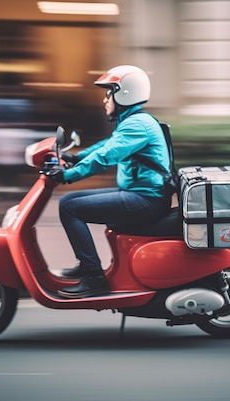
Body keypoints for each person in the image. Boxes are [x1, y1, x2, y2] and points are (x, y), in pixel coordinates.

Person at [46, 65, 173, 299]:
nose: (105, 99)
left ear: (125, 93)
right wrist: (76, 157)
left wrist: (67, 175)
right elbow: (106, 145)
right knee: (70, 201)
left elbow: (107, 156)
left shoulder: (137, 124)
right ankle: (87, 266)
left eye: (109, 92)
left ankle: (94, 277)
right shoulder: (132, 121)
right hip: (139, 194)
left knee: (70, 208)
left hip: (146, 200)